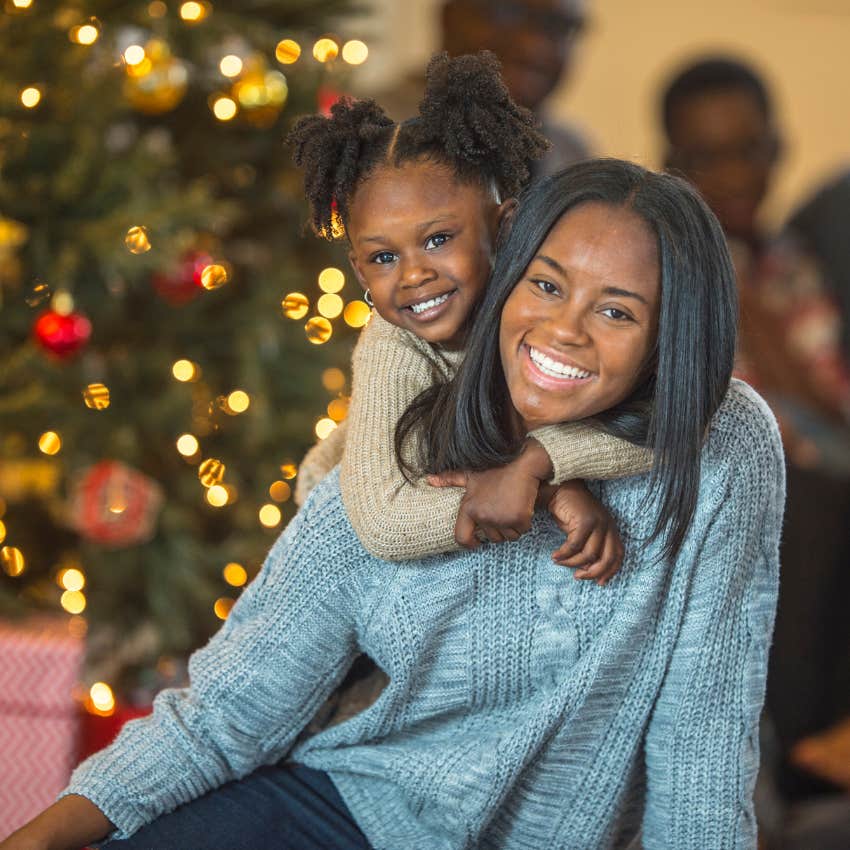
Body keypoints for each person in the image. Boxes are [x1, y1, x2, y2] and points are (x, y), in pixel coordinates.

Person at [0, 159, 783, 850]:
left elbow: (702, 743)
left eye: (617, 311)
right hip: (339, 810)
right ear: (508, 276)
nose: (564, 330)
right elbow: (226, 716)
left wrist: (549, 464)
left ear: (671, 338)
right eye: (545, 284)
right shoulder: (393, 457)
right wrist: (39, 836)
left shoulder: (725, 451)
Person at [292, 52, 650, 578]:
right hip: (343, 527)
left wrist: (539, 460)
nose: (413, 275)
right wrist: (545, 493)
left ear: (504, 227)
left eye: (438, 239)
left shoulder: (537, 311)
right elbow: (385, 521)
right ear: (361, 273)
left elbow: (665, 426)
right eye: (384, 258)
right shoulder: (395, 347)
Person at [660, 56, 850, 844]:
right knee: (798, 504)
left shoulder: (794, 263)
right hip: (736, 483)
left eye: (751, 148)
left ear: (778, 149)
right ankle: (807, 744)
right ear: (676, 167)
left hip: (825, 467)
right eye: (710, 157)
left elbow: (830, 400)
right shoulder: (674, 268)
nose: (736, 173)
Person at [370, 0, 591, 174]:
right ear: (449, 18)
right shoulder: (368, 133)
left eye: (559, 25)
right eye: (506, 11)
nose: (532, 45)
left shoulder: (571, 156)